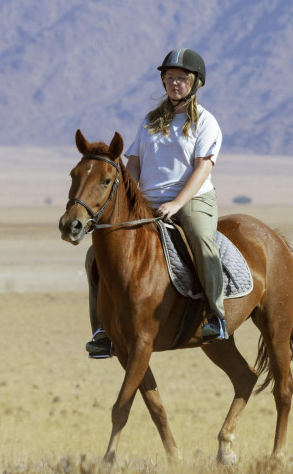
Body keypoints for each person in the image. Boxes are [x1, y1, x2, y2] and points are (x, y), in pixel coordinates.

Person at [83, 48, 226, 358]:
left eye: (181, 79)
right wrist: (128, 198)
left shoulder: (206, 122)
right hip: (147, 202)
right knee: (96, 254)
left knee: (201, 240)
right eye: (169, 78)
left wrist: (176, 204)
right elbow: (133, 163)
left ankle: (215, 315)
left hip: (191, 199)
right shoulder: (150, 121)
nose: (174, 84)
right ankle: (102, 332)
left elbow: (203, 168)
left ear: (195, 83)